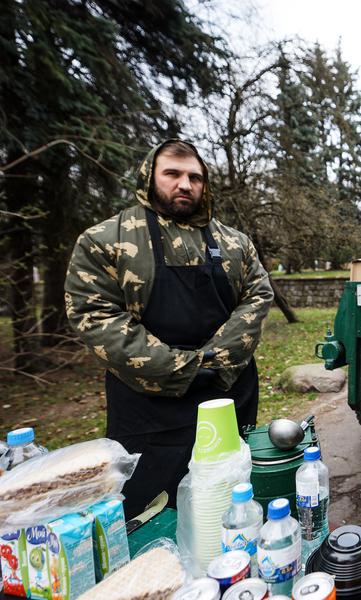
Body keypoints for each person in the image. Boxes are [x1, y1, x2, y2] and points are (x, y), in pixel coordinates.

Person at [65, 139, 273, 519]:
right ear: (150, 177)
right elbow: (93, 315)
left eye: (195, 176)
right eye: (172, 174)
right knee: (154, 512)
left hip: (227, 391)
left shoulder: (234, 242)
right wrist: (182, 367)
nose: (185, 184)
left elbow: (257, 297)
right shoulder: (105, 240)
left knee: (228, 501)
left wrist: (218, 360)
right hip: (149, 410)